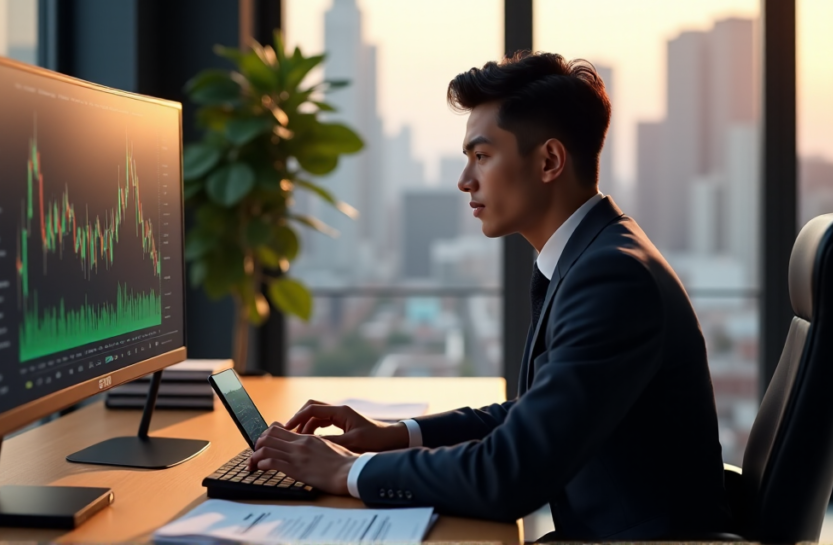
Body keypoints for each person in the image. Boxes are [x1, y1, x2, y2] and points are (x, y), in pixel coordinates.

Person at [248, 52, 730, 540]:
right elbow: (531, 415)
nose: (465, 181)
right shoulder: (592, 256)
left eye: (481, 156)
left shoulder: (612, 278)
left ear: (549, 161)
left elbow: (511, 473)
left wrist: (344, 472)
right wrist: (395, 434)